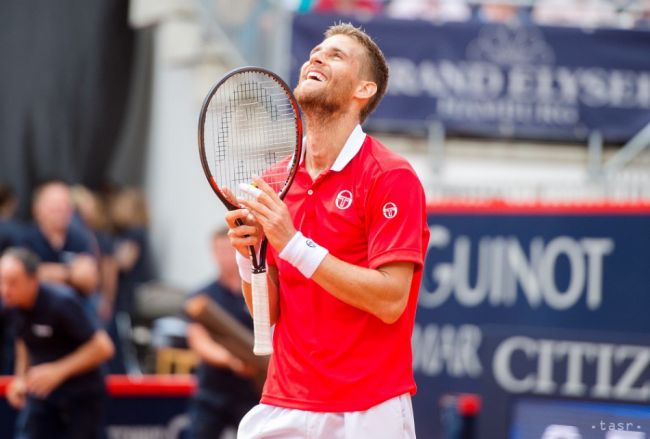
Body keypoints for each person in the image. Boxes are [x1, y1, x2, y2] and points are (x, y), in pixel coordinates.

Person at [225, 23, 429, 438]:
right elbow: (268, 319)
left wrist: (293, 244)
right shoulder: (275, 179)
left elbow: (391, 299)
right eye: (316, 51)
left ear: (363, 90)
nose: (316, 57)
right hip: (283, 402)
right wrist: (250, 260)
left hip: (368, 411)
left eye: (336, 55)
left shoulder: (390, 176)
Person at [1, 247, 114, 438]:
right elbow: (23, 339)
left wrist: (58, 371)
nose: (5, 289)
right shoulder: (10, 306)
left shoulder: (61, 303)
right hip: (43, 394)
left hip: (81, 396)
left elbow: (103, 347)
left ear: (33, 281)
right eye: (2, 282)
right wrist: (20, 378)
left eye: (13, 283)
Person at [186, 228, 260, 439]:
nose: (225, 255)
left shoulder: (259, 292)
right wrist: (232, 361)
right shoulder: (202, 296)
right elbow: (199, 341)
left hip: (252, 392)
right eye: (219, 250)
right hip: (213, 391)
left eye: (228, 249)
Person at [21, 180, 99, 300]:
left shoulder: (80, 238)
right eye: (54, 204)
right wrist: (70, 273)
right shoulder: (25, 238)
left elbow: (89, 280)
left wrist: (47, 272)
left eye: (65, 204)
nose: (60, 209)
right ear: (37, 208)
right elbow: (23, 275)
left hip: (75, 308)